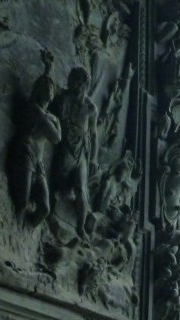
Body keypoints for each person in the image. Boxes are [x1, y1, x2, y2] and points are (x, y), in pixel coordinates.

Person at [13, 50, 62, 227]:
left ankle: (24, 233)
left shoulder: (44, 112)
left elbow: (45, 83)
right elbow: (57, 138)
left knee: (45, 209)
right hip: (25, 156)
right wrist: (56, 120)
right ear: (40, 91)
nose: (51, 89)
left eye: (52, 87)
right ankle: (14, 233)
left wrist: (49, 68)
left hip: (38, 163)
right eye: (47, 88)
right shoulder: (35, 111)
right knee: (22, 203)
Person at [51, 67, 99, 237]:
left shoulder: (91, 108)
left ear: (84, 84)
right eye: (71, 81)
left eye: (76, 82)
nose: (72, 84)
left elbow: (93, 135)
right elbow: (49, 89)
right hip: (66, 146)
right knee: (56, 181)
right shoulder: (64, 98)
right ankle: (49, 214)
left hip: (81, 152)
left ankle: (80, 228)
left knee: (81, 189)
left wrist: (93, 158)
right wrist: (49, 68)